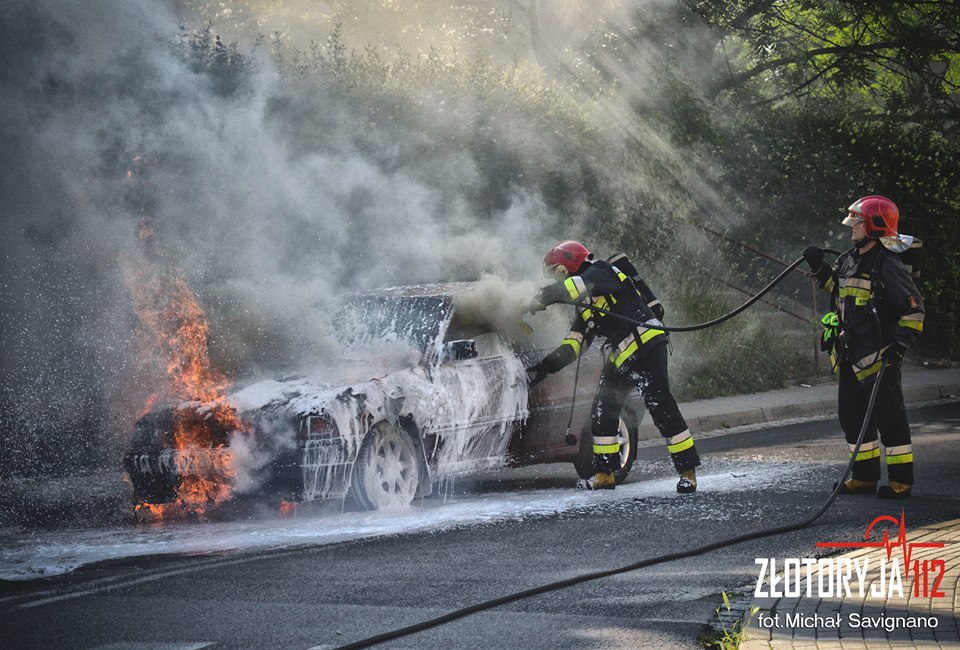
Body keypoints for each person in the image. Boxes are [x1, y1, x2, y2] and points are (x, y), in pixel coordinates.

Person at [526, 241, 700, 492]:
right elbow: (576, 342)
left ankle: (687, 472)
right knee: (603, 407)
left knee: (660, 404)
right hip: (623, 354)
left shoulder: (600, 271)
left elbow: (572, 287)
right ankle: (605, 474)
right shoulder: (586, 306)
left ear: (565, 267)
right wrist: (545, 367)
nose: (554, 277)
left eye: (555, 271)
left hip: (647, 344)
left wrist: (540, 298)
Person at [802, 195, 924, 499]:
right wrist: (819, 267)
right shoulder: (848, 259)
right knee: (852, 416)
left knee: (890, 418)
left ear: (873, 226)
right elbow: (838, 291)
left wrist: (901, 344)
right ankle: (864, 476)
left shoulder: (888, 264)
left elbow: (914, 309)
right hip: (850, 354)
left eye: (856, 221)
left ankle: (901, 480)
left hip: (880, 356)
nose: (851, 227)